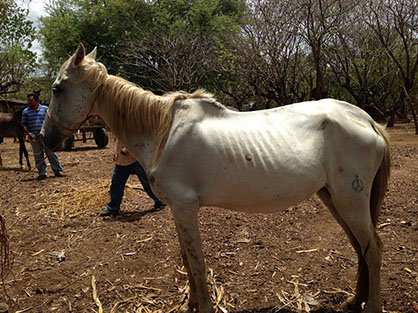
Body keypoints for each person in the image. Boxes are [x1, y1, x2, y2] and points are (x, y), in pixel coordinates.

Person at [101, 139, 165, 216]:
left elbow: (139, 140)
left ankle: (159, 201)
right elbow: (119, 142)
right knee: (116, 184)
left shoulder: (134, 127)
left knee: (146, 182)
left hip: (135, 160)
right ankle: (113, 208)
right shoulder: (120, 128)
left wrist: (127, 149)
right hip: (121, 161)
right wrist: (116, 153)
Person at [22, 93, 63, 180]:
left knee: (51, 153)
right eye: (28, 100)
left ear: (36, 101)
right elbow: (24, 124)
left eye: (31, 100)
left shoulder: (45, 109)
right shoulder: (26, 111)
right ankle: (42, 172)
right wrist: (28, 133)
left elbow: (50, 120)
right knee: (38, 155)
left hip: (45, 135)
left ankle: (57, 170)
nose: (29, 102)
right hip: (34, 137)